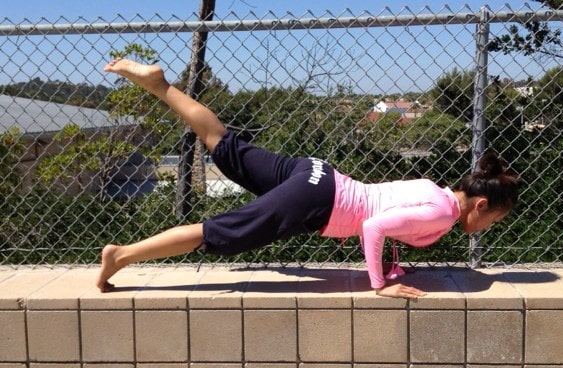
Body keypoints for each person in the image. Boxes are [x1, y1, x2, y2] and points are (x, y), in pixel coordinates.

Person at [96, 58, 521, 298]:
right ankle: (122, 255)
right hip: (319, 200)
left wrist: (392, 269)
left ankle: (159, 85)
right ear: (481, 205)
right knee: (218, 232)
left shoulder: (434, 189)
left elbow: (388, 218)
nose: (486, 228)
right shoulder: (442, 213)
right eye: (493, 221)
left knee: (220, 141)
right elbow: (373, 225)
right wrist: (380, 286)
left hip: (316, 173)